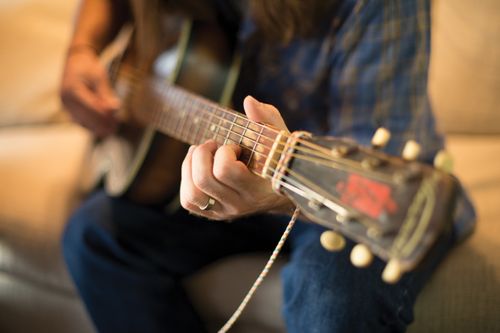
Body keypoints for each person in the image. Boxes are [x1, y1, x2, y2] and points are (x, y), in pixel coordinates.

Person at [61, 0, 476, 332]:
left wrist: (276, 196)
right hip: (229, 170)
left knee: (332, 303)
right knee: (92, 237)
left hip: (344, 194)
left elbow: (366, 156)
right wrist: (82, 49)